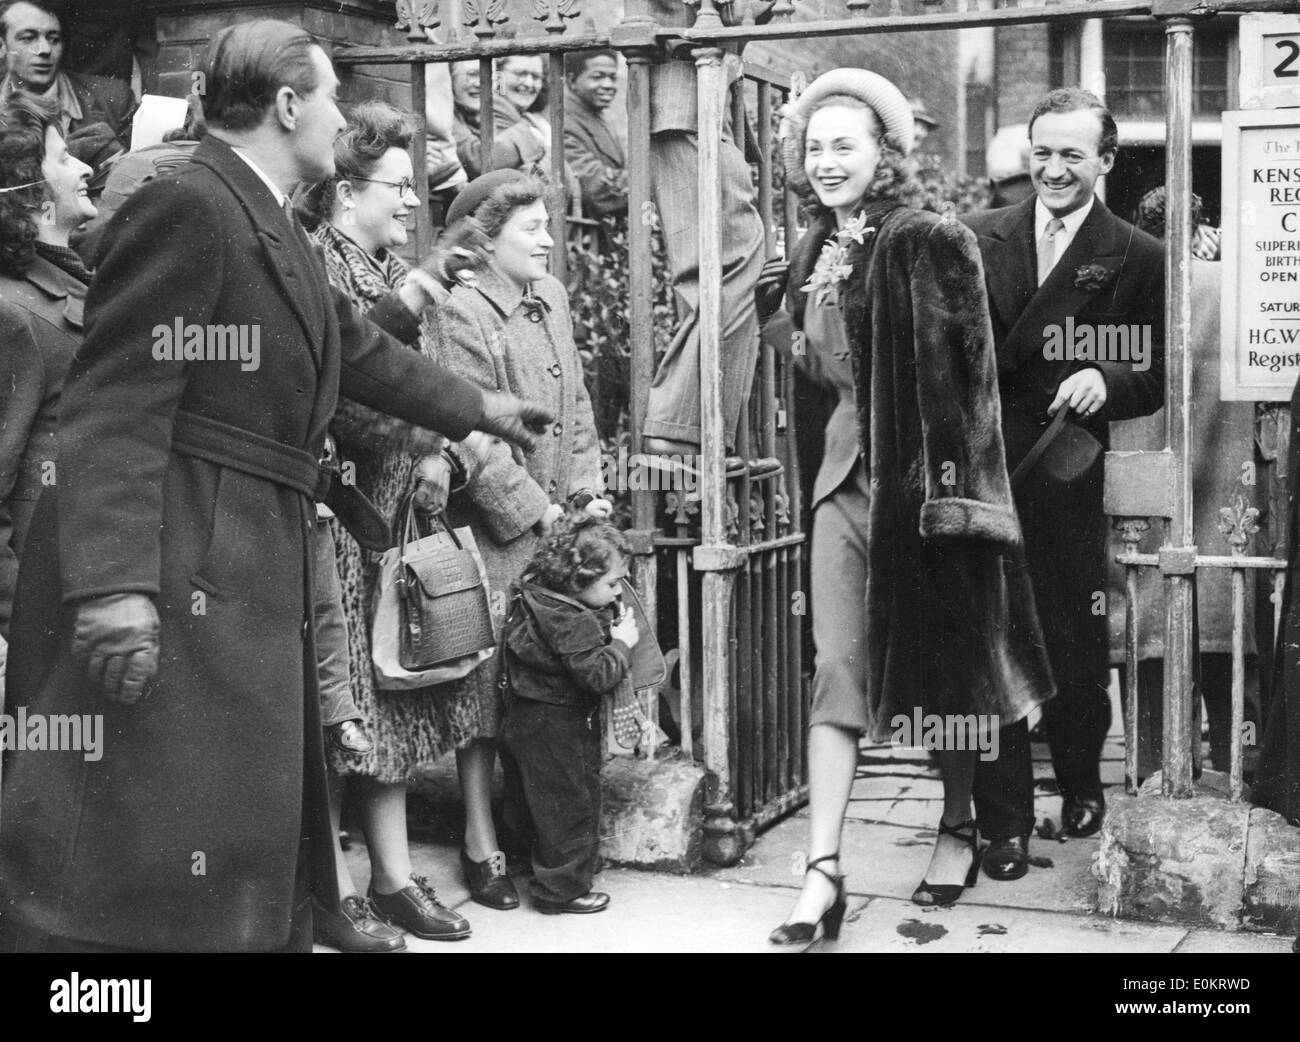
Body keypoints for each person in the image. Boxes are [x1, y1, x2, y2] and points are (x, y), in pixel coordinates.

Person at [0, 19, 553, 954]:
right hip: (187, 566)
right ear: (289, 104)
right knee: (139, 843)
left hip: (240, 560)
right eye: (333, 95)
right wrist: (111, 587)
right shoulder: (189, 204)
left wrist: (480, 407)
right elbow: (113, 405)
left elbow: (357, 346)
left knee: (224, 829)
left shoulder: (260, 215)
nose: (342, 115)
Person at [767, 68, 1054, 943]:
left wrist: (958, 506)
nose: (826, 161)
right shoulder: (815, 251)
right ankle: (822, 871)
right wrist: (787, 324)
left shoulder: (930, 239)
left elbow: (971, 387)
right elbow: (829, 375)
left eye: (843, 145)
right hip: (840, 490)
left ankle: (960, 822)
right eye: (814, 147)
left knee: (946, 664)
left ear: (884, 154)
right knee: (836, 670)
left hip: (922, 490)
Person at [301, 99, 503, 937]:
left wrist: (440, 451)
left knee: (383, 699)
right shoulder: (323, 270)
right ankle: (338, 887)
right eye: (398, 187)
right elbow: (343, 397)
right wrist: (424, 439)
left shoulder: (380, 271)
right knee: (342, 705)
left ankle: (386, 877)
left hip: (389, 516)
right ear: (348, 194)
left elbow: (431, 385)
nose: (416, 202)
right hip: (342, 516)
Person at [961, 88, 1165, 878]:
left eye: (1072, 155)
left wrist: (1105, 377)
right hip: (987, 471)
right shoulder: (979, 239)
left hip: (1069, 476)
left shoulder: (1136, 254)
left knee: (1075, 642)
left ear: (1106, 161)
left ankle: (1083, 782)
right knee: (991, 646)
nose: (1053, 169)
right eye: (1042, 153)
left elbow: (1156, 371)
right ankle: (1003, 824)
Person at [437, 168, 612, 906]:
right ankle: (481, 843)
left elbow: (577, 407)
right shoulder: (460, 312)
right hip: (498, 531)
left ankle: (545, 843)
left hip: (561, 528)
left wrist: (589, 493)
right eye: (531, 228)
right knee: (486, 692)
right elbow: (471, 436)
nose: (548, 238)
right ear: (484, 239)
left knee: (551, 696)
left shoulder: (554, 299)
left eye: (549, 223)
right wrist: (539, 513)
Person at [1108, 187, 1256, 781]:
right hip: (1228, 473)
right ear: (1202, 228)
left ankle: (1152, 770)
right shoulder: (1235, 285)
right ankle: (1233, 764)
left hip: (1143, 473)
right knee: (1228, 625)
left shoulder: (1125, 287)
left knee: (1147, 629)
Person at [641, 0, 768, 457]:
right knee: (732, 258)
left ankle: (684, 423)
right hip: (685, 99)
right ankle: (678, 423)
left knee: (723, 262)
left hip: (703, 98)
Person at [500, 516, 637, 915]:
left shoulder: (538, 596)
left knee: (528, 800)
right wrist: (623, 645)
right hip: (560, 724)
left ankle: (530, 864)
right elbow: (597, 674)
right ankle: (560, 890)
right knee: (570, 805)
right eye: (612, 584)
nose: (617, 595)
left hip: (523, 715)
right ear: (579, 579)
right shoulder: (573, 619)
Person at [0, 90, 94, 640]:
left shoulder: (71, 283)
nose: (83, 167)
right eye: (62, 159)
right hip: (48, 618)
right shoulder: (11, 312)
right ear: (26, 191)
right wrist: (27, 626)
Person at [0, 1, 135, 185]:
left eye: (54, 39)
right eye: (28, 38)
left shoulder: (114, 99)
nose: (45, 50)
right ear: (2, 47)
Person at [449, 59, 545, 181]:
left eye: (489, 75)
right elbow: (480, 162)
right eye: (472, 74)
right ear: (451, 79)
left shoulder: (483, 108)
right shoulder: (444, 113)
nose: (480, 83)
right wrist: (531, 135)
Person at [563, 48, 625, 219]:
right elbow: (595, 186)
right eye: (597, 77)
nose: (608, 85)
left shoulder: (597, 115)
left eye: (612, 78)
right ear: (572, 80)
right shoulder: (562, 121)